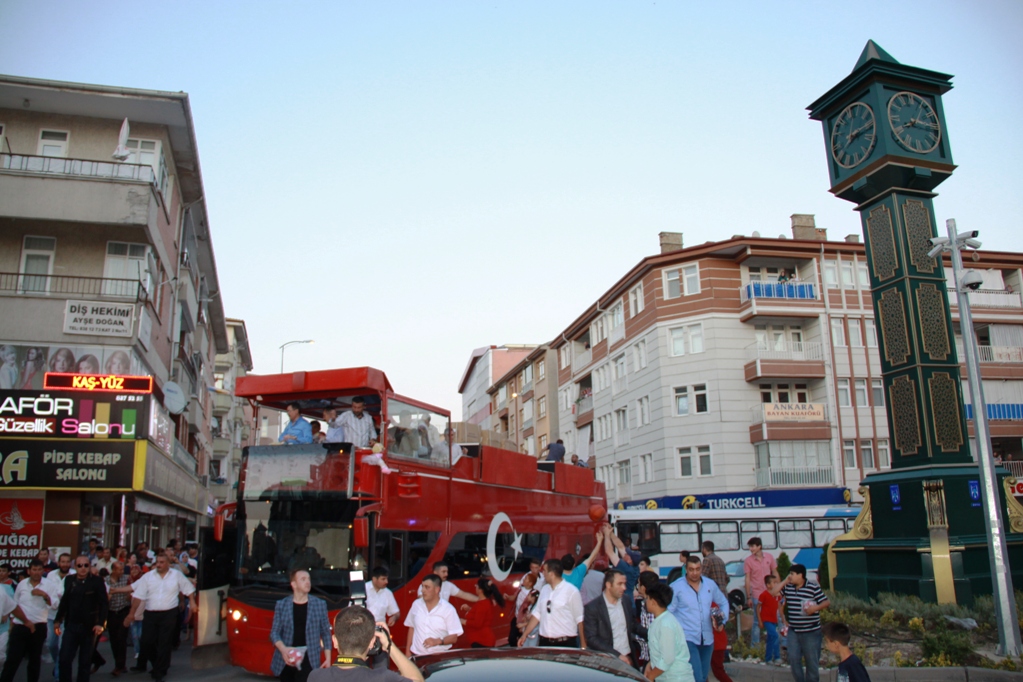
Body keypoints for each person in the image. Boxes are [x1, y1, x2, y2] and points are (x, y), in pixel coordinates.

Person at [123, 554, 196, 682]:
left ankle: (159, 671)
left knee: (164, 642)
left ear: (168, 564)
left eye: (162, 562)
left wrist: (192, 602)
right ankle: (158, 663)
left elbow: (188, 589)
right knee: (146, 641)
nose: (159, 565)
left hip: (169, 612)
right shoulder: (149, 576)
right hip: (151, 613)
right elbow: (139, 596)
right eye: (157, 562)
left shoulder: (176, 575)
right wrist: (131, 613)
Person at [308, 606, 423, 682]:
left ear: (335, 641)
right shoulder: (382, 678)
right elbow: (417, 679)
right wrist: (389, 645)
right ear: (372, 642)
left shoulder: (315, 677)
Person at [668, 555, 728, 682]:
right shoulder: (676, 587)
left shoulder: (709, 585)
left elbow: (723, 602)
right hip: (687, 638)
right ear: (686, 569)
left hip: (707, 639)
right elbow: (669, 611)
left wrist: (722, 620)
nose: (695, 573)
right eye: (691, 569)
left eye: (697, 569)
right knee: (697, 678)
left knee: (703, 676)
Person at [270, 569, 333, 682]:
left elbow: (325, 632)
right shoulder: (282, 605)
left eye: (308, 579)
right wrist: (283, 650)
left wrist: (328, 658)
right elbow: (274, 632)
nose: (308, 582)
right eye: (303, 579)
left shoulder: (319, 605)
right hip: (287, 659)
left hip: (310, 660)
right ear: (293, 584)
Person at [0, 559, 57, 682]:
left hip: (39, 626)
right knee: (13, 659)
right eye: (34, 570)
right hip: (20, 624)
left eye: (39, 570)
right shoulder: (22, 584)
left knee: (34, 660)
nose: (37, 573)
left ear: (43, 571)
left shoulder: (49, 585)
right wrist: (13, 622)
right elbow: (14, 603)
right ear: (29, 571)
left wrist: (44, 595)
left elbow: (54, 605)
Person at [54, 555, 108, 682]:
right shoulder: (69, 580)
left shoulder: (97, 581)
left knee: (85, 662)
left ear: (89, 566)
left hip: (90, 627)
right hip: (71, 625)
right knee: (64, 659)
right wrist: (58, 620)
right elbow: (64, 601)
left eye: (86, 565)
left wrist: (100, 623)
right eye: (79, 565)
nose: (83, 568)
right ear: (75, 567)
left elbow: (104, 604)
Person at [518, 559, 585, 648]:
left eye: (544, 571)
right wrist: (525, 634)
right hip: (544, 642)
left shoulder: (572, 592)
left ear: (551, 574)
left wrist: (583, 645)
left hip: (565, 643)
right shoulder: (544, 590)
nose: (543, 574)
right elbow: (537, 614)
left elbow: (580, 620)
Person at [780, 564, 830, 682]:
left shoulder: (813, 588)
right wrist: (784, 581)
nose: (790, 577)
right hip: (794, 631)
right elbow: (773, 592)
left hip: (811, 631)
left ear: (800, 575)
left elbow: (826, 602)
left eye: (792, 574)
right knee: (793, 658)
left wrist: (815, 608)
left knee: (811, 661)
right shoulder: (788, 588)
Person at [583, 569, 637, 666]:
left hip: (628, 657)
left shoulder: (626, 600)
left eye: (624, 584)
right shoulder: (593, 608)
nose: (624, 588)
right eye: (619, 584)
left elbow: (632, 624)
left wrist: (650, 633)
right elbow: (592, 638)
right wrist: (617, 655)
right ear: (608, 585)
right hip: (607, 659)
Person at [644, 583, 694, 682]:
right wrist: (651, 664)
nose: (646, 602)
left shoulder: (665, 624)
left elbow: (667, 658)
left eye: (647, 599)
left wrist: (651, 676)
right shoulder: (662, 620)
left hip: (676, 678)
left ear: (653, 602)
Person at [404, 575, 463, 656]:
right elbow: (411, 627)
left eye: (427, 587)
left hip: (439, 657)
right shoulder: (416, 605)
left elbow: (454, 637)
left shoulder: (448, 609)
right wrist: (408, 651)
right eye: (422, 586)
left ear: (437, 590)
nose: (423, 590)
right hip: (417, 655)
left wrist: (437, 641)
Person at [743, 536, 777, 648]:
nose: (751, 549)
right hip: (757, 593)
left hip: (771, 593)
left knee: (775, 617)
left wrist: (779, 589)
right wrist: (748, 596)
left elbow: (775, 572)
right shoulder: (748, 561)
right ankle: (755, 646)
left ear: (759, 546)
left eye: (752, 546)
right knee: (758, 620)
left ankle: (779, 643)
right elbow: (747, 579)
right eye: (750, 547)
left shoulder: (769, 557)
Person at [44, 553, 72, 679]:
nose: (65, 564)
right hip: (52, 615)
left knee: (62, 647)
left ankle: (58, 676)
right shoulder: (51, 575)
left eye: (67, 562)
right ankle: (58, 664)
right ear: (58, 563)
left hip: (67, 616)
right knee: (50, 643)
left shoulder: (74, 574)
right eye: (63, 561)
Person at [105, 562, 134, 676]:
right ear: (113, 570)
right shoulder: (106, 580)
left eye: (123, 570)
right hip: (111, 612)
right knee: (113, 639)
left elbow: (132, 591)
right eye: (119, 570)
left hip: (123, 610)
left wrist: (130, 595)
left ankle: (120, 665)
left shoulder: (126, 579)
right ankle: (119, 662)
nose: (122, 572)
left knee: (121, 638)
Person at [459, 578, 503, 647]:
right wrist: (469, 609)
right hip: (481, 639)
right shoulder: (485, 602)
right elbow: (480, 614)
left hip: (482, 641)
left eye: (476, 586)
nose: (475, 587)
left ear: (481, 590)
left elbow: (477, 623)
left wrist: (462, 621)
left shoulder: (483, 604)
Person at [0, 577, 32, 670]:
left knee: (1, 657)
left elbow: (13, 608)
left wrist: (26, 621)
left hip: (2, 628)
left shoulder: (2, 591)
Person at [603, 524, 640, 600]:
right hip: (629, 601)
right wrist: (611, 533)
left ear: (630, 560)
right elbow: (620, 547)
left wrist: (606, 535)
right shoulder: (634, 567)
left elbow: (609, 551)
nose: (625, 554)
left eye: (627, 555)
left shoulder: (626, 568)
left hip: (625, 602)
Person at [415, 562, 479, 604]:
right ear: (435, 572)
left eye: (447, 572)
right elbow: (421, 600)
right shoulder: (425, 585)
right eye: (443, 572)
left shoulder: (448, 585)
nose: (446, 574)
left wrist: (481, 600)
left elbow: (463, 595)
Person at [635, 571, 661, 672]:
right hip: (649, 657)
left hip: (653, 658)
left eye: (638, 584)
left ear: (643, 588)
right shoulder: (645, 603)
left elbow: (652, 634)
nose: (637, 586)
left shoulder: (651, 608)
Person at [759, 574, 783, 665]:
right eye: (774, 582)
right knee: (775, 636)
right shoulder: (764, 595)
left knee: (770, 638)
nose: (776, 584)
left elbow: (779, 607)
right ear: (768, 585)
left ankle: (768, 658)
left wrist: (783, 619)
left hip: (774, 619)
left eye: (777, 582)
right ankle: (777, 657)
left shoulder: (777, 596)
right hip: (766, 619)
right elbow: (758, 607)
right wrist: (760, 620)